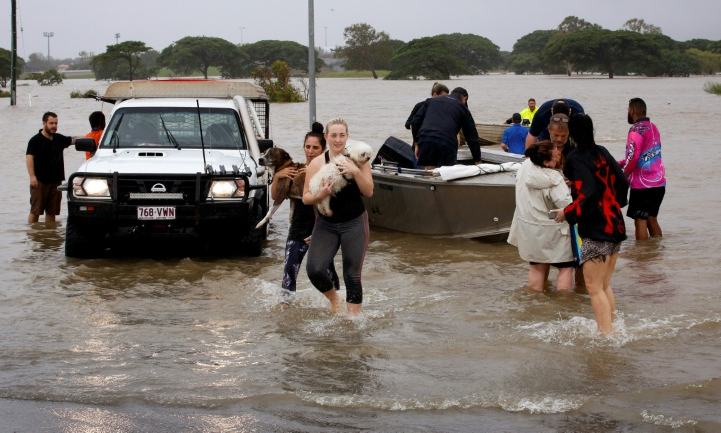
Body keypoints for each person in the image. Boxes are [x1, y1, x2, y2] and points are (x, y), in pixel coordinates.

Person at [556, 114, 629, 334]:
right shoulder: (603, 152)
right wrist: (616, 204)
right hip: (615, 223)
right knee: (604, 285)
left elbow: (587, 194)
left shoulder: (575, 159)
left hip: (597, 228)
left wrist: (567, 213)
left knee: (593, 287)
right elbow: (623, 182)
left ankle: (605, 337)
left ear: (571, 133)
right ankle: (612, 329)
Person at [302, 118, 374, 316]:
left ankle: (353, 321)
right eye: (333, 135)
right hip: (326, 224)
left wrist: (355, 172)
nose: (337, 139)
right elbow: (306, 198)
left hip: (354, 222)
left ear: (347, 137)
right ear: (326, 137)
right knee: (315, 269)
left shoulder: (359, 158)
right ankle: (335, 299)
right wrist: (321, 195)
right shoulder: (317, 163)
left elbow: (369, 191)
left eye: (342, 135)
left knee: (352, 274)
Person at [273, 122, 340, 305]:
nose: (310, 151)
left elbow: (336, 205)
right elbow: (276, 197)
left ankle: (338, 306)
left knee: (328, 272)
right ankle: (285, 310)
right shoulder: (296, 170)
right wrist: (278, 176)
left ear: (323, 149)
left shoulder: (331, 171)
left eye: (315, 148)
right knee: (289, 272)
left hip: (322, 231)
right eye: (307, 147)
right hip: (297, 230)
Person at [508, 140, 574, 291]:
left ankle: (535, 304)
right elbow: (566, 205)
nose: (558, 155)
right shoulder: (554, 179)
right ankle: (564, 307)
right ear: (545, 162)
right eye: (555, 155)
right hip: (553, 227)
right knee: (566, 268)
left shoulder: (524, 167)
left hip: (528, 227)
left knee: (537, 267)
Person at [619, 98, 666, 240]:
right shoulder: (653, 127)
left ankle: (642, 257)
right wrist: (618, 163)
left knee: (640, 220)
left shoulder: (635, 130)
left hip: (642, 185)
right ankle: (656, 253)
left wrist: (624, 173)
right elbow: (644, 155)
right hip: (659, 183)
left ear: (632, 110)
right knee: (652, 219)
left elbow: (633, 157)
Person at [26, 112, 78, 224]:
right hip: (39, 182)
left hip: (56, 183)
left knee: (52, 212)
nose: (54, 126)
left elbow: (73, 140)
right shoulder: (35, 140)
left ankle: (50, 236)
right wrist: (32, 176)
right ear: (44, 123)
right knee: (35, 211)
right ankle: (32, 236)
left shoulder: (59, 139)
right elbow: (29, 158)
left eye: (56, 123)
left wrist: (92, 136)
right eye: (51, 123)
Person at [411, 87, 482, 169]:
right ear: (464, 98)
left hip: (426, 139)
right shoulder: (463, 108)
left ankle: (429, 180)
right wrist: (478, 161)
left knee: (429, 172)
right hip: (447, 142)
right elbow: (472, 137)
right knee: (446, 174)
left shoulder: (431, 101)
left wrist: (416, 144)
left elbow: (415, 122)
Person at [405, 82, 449, 168]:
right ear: (435, 94)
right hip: (420, 144)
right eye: (444, 97)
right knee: (421, 174)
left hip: (438, 146)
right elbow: (408, 124)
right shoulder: (421, 105)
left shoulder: (445, 108)